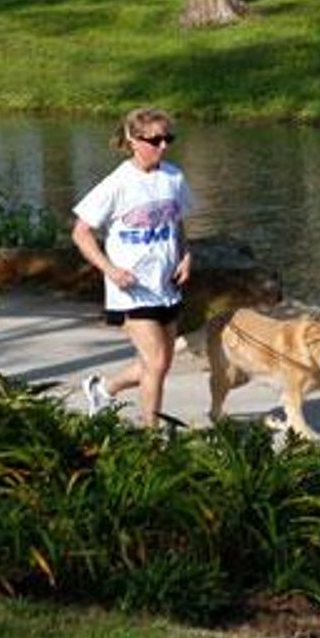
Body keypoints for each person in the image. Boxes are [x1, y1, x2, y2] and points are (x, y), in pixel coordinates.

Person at [71, 106, 194, 428]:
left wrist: (186, 255)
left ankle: (102, 389)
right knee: (155, 363)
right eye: (155, 140)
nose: (163, 146)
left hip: (165, 286)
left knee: (161, 363)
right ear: (132, 139)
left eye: (168, 138)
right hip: (131, 290)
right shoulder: (117, 184)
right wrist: (109, 270)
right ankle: (150, 436)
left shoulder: (173, 177)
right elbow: (81, 232)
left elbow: (178, 222)